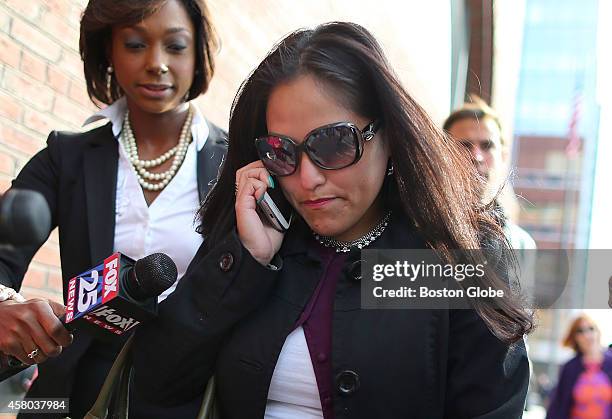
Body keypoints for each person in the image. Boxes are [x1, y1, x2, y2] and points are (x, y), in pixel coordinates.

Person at [131, 22, 533, 418]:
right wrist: (246, 261)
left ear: (388, 135)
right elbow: (156, 382)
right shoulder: (254, 242)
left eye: (334, 143)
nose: (307, 179)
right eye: (281, 151)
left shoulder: (452, 255)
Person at [0, 0, 225, 417]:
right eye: (136, 44)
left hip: (186, 395)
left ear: (198, 54)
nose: (156, 63)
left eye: (175, 46)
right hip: (69, 393)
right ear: (109, 51)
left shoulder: (233, 167)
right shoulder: (67, 155)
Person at [443, 98, 536, 251]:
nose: (476, 156)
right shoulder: (413, 228)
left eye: (487, 146)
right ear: (442, 153)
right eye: (464, 145)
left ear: (504, 157)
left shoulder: (522, 246)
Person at [546, 314, 612, 419]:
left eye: (591, 328)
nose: (587, 335)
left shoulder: (610, 362)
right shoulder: (569, 368)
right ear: (575, 338)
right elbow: (558, 406)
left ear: (598, 332)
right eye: (580, 331)